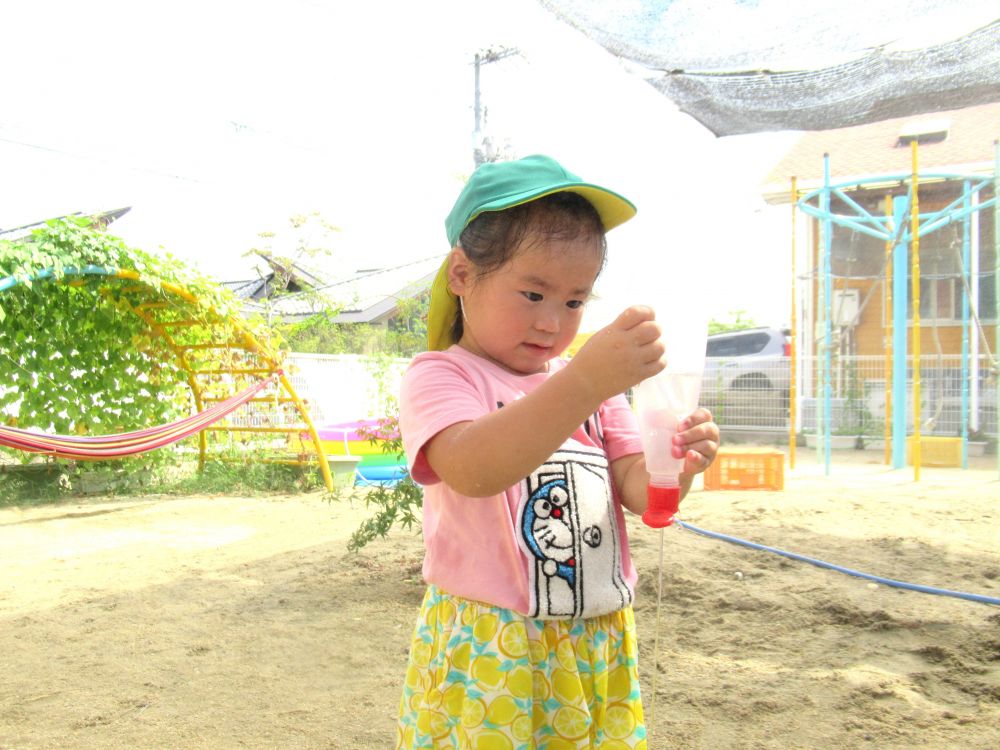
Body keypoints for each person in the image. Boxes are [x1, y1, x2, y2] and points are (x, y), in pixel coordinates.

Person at [396, 154, 719, 749]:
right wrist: (585, 382)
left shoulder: (588, 386)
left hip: (595, 638)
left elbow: (640, 492)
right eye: (533, 293)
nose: (552, 323)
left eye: (574, 303)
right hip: (496, 645)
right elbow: (472, 469)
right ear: (462, 275)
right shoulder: (442, 376)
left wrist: (678, 462)